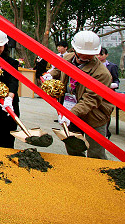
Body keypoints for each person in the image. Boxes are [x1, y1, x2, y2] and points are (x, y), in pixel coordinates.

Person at [47, 31, 113, 159]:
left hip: (94, 116)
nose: (85, 57)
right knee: (73, 148)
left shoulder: (102, 74)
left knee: (96, 153)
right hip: (70, 110)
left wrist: (70, 114)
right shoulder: (68, 58)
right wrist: (51, 74)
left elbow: (91, 100)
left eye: (89, 55)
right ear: (75, 49)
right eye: (82, 54)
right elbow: (59, 69)